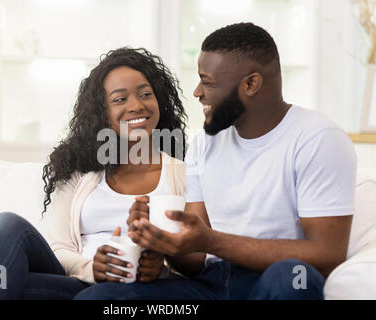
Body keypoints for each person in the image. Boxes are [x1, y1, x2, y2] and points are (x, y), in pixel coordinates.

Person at [75, 23, 357, 300]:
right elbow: (195, 258)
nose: (197, 91)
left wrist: (212, 241)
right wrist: (163, 238)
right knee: (100, 297)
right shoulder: (205, 143)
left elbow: (327, 255)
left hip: (272, 279)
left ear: (251, 84)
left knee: (295, 277)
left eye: (207, 82)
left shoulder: (317, 138)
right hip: (212, 283)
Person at [0, 47, 194, 299]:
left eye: (146, 94)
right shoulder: (78, 170)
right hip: (81, 284)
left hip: (144, 290)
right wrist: (92, 269)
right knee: (6, 228)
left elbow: (200, 258)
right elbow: (60, 248)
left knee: (15, 288)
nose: (136, 105)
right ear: (102, 113)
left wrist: (163, 266)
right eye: (119, 99)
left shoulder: (183, 173)